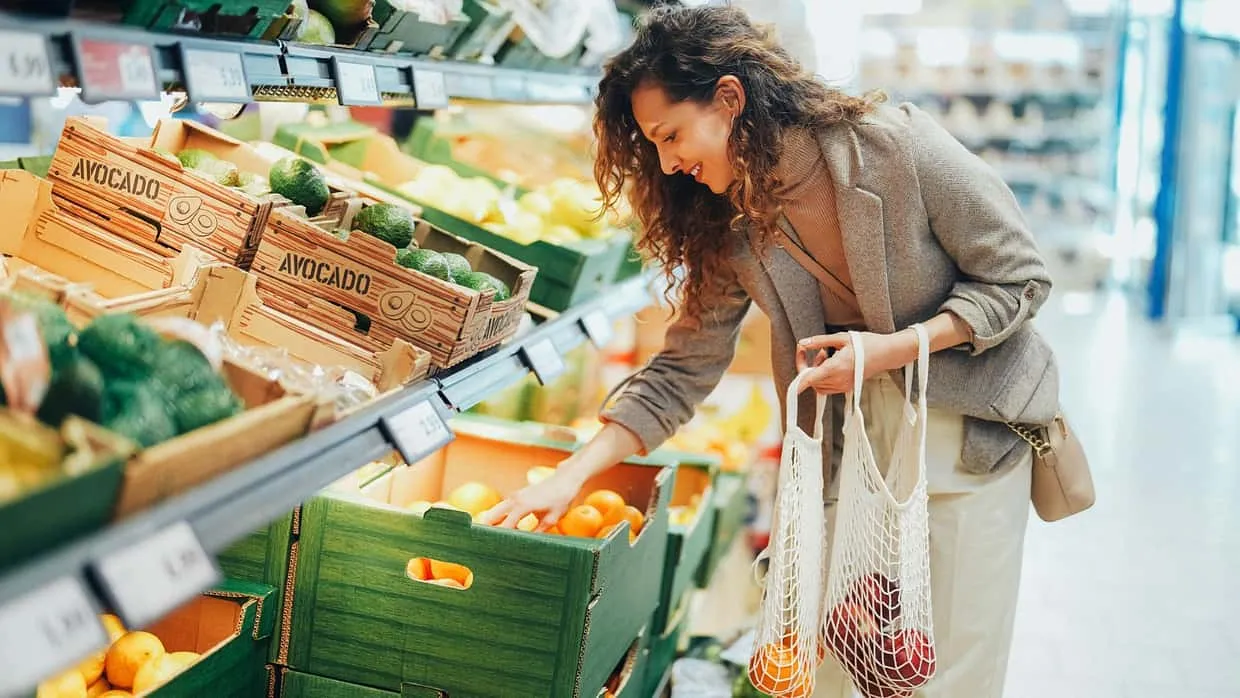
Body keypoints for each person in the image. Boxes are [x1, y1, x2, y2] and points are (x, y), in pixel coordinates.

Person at [480, 6, 1060, 698]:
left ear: (729, 98)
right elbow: (684, 367)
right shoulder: (727, 218)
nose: (667, 162)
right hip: (847, 443)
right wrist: (569, 476)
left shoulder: (895, 149)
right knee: (847, 667)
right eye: (653, 146)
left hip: (965, 434)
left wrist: (897, 349)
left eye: (671, 135)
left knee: (948, 670)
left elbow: (1019, 277)